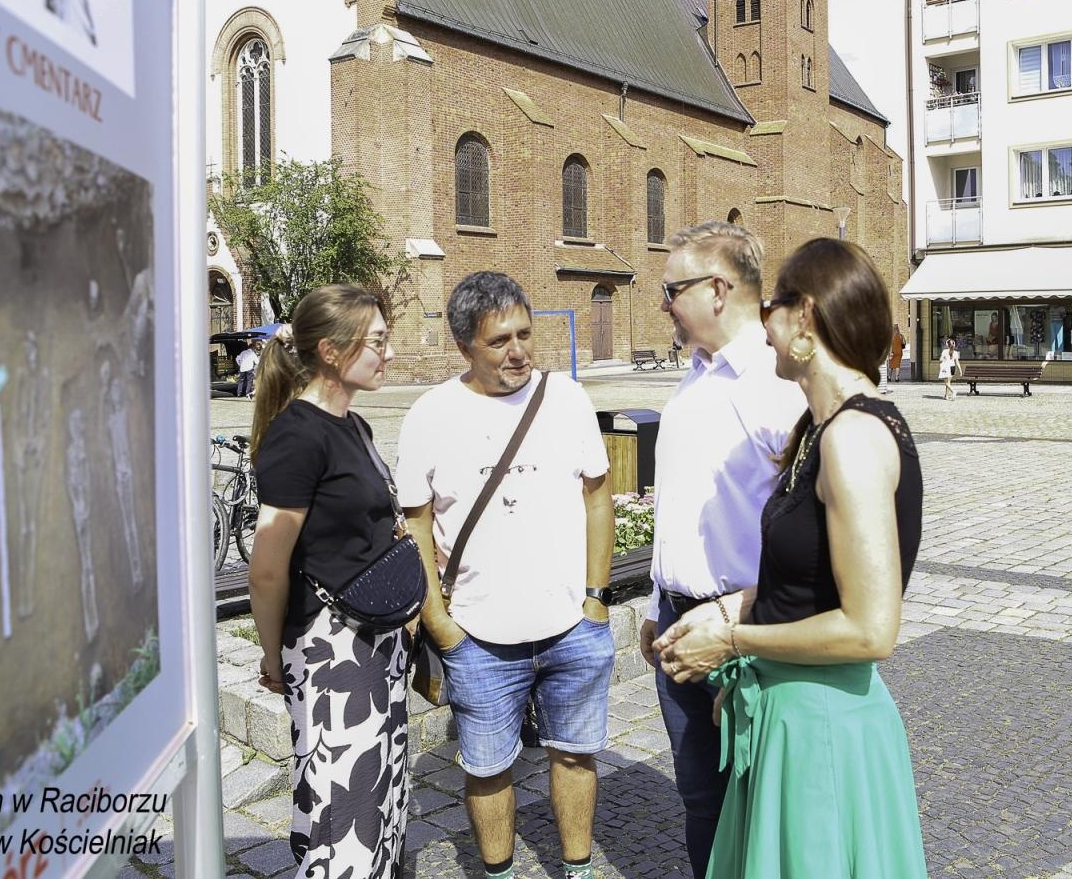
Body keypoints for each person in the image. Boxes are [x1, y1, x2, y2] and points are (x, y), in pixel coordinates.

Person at [654, 237, 927, 878]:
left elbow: (871, 629)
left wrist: (732, 641)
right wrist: (726, 608)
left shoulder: (853, 436)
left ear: (804, 316)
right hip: (795, 712)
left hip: (822, 723)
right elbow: (808, 577)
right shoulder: (823, 427)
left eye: (772, 306)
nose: (763, 323)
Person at [397, 272, 615, 879]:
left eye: (524, 334)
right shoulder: (430, 415)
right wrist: (441, 625)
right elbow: (415, 526)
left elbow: (598, 497)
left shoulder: (566, 398)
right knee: (488, 768)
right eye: (499, 341)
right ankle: (500, 872)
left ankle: (578, 869)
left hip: (572, 627)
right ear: (464, 345)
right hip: (479, 638)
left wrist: (596, 600)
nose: (518, 351)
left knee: (575, 755)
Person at [637, 221, 805, 878]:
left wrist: (741, 617)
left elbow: (812, 527)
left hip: (748, 628)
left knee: (763, 803)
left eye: (670, 290)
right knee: (702, 801)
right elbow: (680, 500)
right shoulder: (696, 375)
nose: (662, 305)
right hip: (679, 622)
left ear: (717, 290)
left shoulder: (776, 381)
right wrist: (656, 601)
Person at [245, 283, 410, 876]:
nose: (389, 353)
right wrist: (274, 657)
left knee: (379, 796)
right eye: (377, 342)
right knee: (343, 810)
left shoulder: (354, 425)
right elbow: (267, 569)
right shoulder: (298, 436)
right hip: (331, 649)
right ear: (332, 352)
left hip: (377, 639)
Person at [881, 322, 905, 391]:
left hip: (893, 352)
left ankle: (889, 377)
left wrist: (890, 353)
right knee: (897, 365)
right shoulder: (901, 336)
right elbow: (904, 343)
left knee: (891, 366)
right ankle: (897, 378)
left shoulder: (891, 336)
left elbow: (890, 346)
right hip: (899, 352)